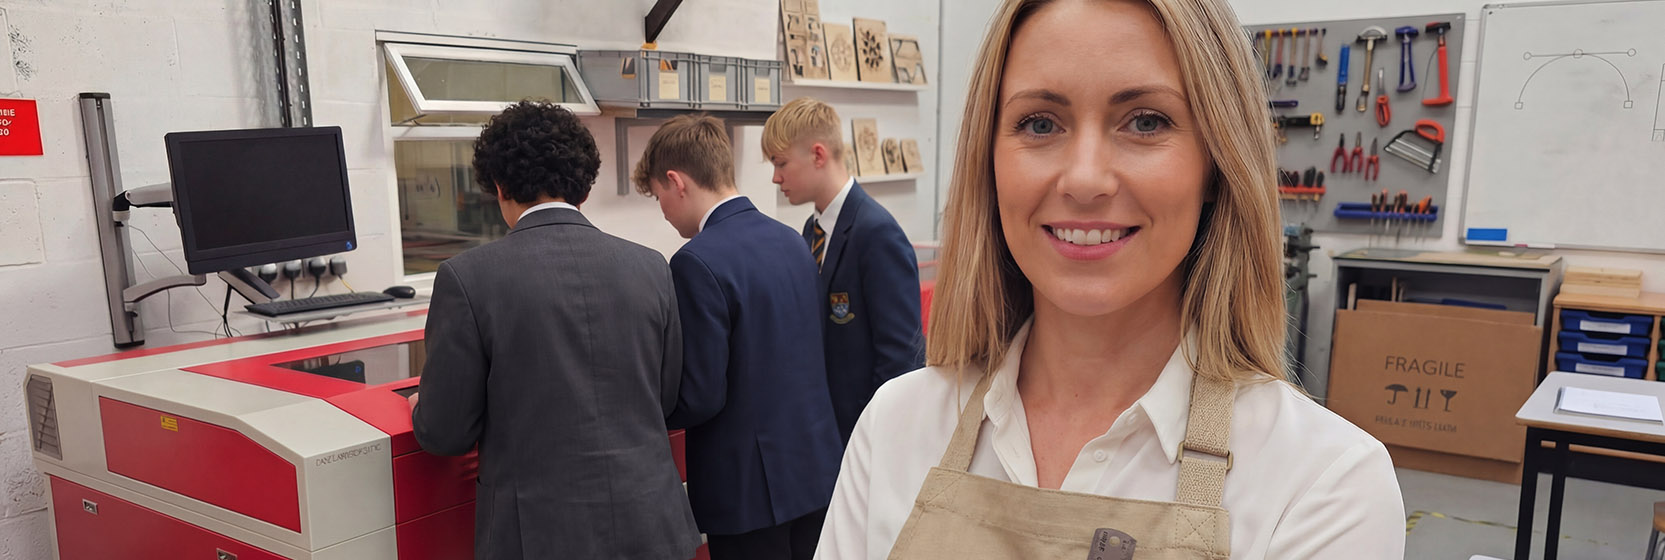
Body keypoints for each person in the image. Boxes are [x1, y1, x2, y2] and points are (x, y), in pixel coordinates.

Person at [814, 1, 1406, 558]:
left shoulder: (1323, 483)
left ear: (1218, 163)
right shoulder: (897, 426)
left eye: (1145, 121)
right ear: (988, 160)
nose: (1085, 178)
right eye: (1040, 123)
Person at [410, 100, 700, 560]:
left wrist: (420, 408)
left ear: (499, 186)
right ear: (582, 189)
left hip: (536, 538)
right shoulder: (651, 268)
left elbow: (446, 433)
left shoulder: (468, 279)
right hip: (653, 523)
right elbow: (661, 400)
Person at [634, 114, 844, 560]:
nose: (663, 210)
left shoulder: (695, 261)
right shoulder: (792, 241)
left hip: (748, 490)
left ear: (677, 181)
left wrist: (642, 406)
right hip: (816, 470)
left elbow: (702, 394)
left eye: (658, 197)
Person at [762, 97, 924, 443]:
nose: (776, 178)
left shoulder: (877, 233)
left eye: (781, 164)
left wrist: (877, 438)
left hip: (865, 430)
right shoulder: (812, 229)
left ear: (818, 155)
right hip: (825, 427)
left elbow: (900, 358)